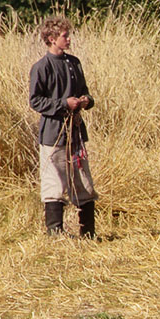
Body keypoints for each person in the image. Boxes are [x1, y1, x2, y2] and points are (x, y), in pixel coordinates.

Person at [29, 15, 98, 237]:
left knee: (83, 182)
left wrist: (86, 101)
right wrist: (62, 104)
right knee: (54, 183)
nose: (68, 39)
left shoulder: (74, 63)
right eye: (64, 36)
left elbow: (85, 91)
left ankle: (88, 234)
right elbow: (35, 100)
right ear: (51, 38)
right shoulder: (41, 67)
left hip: (75, 133)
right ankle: (55, 234)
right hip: (53, 133)